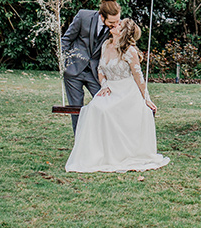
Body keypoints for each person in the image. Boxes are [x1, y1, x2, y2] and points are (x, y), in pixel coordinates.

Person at [65, 17, 169, 173]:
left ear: (124, 32)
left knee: (106, 111)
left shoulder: (130, 51)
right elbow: (100, 69)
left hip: (127, 92)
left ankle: (115, 154)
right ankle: (95, 154)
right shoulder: (106, 44)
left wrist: (146, 99)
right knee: (93, 108)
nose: (115, 24)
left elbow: (138, 77)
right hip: (110, 89)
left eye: (119, 24)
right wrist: (104, 85)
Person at [61, 0, 121, 133]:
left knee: (106, 105)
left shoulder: (116, 26)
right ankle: (80, 145)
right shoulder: (83, 17)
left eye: (117, 21)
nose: (116, 24)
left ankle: (101, 139)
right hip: (74, 71)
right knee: (76, 110)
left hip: (96, 73)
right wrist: (64, 62)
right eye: (112, 22)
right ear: (102, 16)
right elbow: (66, 40)